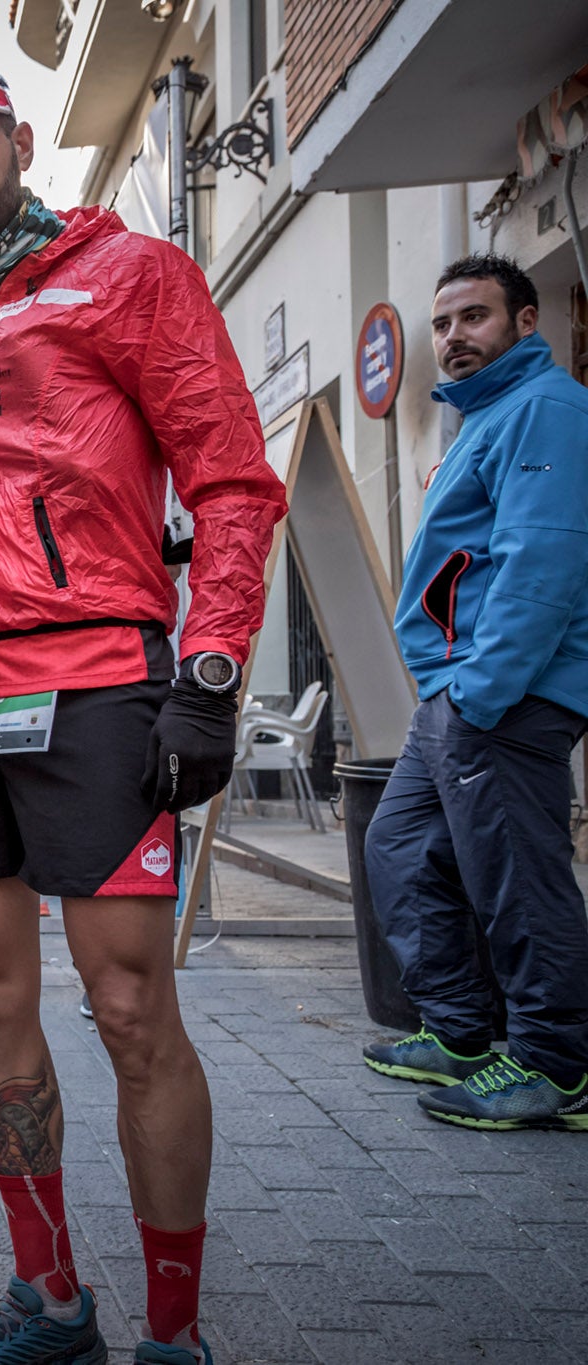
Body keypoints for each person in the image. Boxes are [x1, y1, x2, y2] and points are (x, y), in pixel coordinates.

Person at [0, 66, 286, 1365]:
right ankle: (51, 1301)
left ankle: (174, 1335)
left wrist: (211, 669)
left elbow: (230, 479)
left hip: (97, 690)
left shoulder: (130, 276)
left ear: (13, 141)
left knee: (128, 1009)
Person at [362, 253, 588, 1134]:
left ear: (525, 323)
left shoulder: (546, 410)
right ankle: (461, 1030)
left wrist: (485, 692)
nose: (455, 338)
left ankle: (555, 1065)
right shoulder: (488, 419)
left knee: (518, 878)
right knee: (401, 846)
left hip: (504, 694)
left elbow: (545, 561)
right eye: (444, 324)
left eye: (476, 318)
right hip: (458, 695)